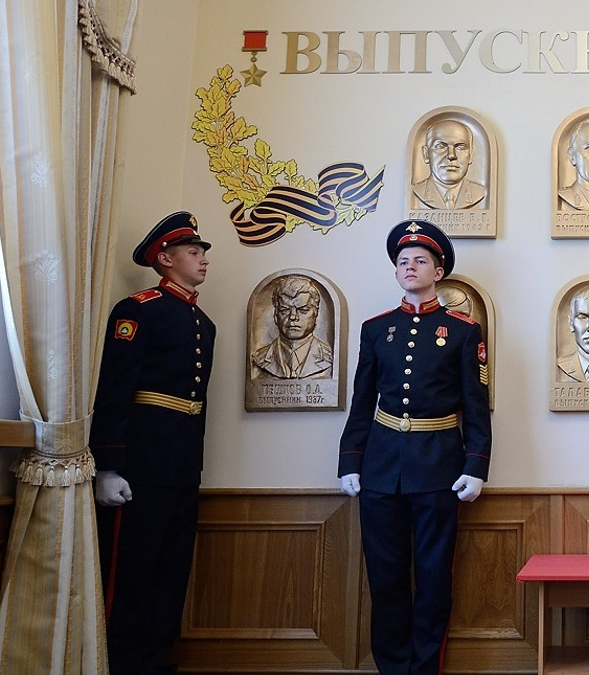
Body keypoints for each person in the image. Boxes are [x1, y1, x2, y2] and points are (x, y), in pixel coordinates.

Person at [337, 219, 491, 675]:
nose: (410, 267)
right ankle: (392, 667)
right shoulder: (376, 329)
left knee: (433, 577)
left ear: (438, 271)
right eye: (403, 261)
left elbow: (475, 405)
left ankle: (424, 669)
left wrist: (476, 465)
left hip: (439, 468)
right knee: (385, 577)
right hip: (381, 468)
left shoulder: (463, 331)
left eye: (420, 261)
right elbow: (362, 402)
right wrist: (350, 460)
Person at [90, 211, 215, 675]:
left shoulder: (203, 322)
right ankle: (121, 663)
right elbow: (115, 389)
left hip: (181, 465)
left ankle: (155, 661)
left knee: (170, 569)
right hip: (140, 464)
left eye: (202, 252)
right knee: (131, 570)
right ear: (165, 258)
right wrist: (108, 466)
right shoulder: (138, 310)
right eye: (193, 252)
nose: (203, 259)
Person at [250, 274, 333, 379]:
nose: (293, 317)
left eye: (303, 310)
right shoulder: (258, 359)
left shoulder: (329, 358)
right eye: (285, 310)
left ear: (315, 314)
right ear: (276, 315)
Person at [411, 119, 487, 210]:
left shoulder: (481, 193)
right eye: (441, 146)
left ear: (470, 155)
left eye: (460, 147)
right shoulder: (415, 192)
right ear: (426, 154)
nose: (451, 155)